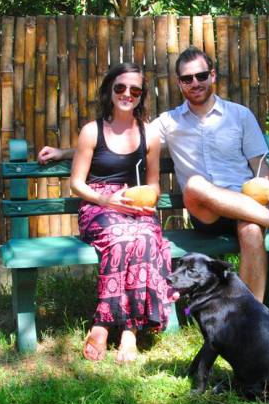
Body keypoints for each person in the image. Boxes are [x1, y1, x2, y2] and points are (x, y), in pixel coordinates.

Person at [38, 47, 269, 303]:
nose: (195, 83)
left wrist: (263, 183)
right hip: (205, 212)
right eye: (187, 79)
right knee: (196, 184)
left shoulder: (240, 115)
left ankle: (250, 317)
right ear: (179, 83)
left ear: (212, 76)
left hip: (245, 205)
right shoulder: (169, 122)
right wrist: (65, 152)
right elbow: (122, 141)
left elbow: (260, 164)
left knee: (252, 231)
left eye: (201, 76)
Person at [39, 63, 176, 364]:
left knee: (144, 238)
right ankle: (109, 324)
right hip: (98, 206)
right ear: (109, 90)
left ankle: (125, 330)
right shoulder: (92, 131)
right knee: (122, 237)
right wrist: (107, 200)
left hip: (135, 205)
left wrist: (145, 199)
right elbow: (77, 184)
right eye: (120, 87)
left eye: (135, 90)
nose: (127, 94)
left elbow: (154, 184)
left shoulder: (149, 134)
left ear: (141, 95)